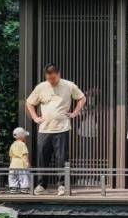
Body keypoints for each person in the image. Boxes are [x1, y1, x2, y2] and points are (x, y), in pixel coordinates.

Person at [26, 64, 86, 196]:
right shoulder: (41, 87)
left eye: (53, 78)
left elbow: (82, 98)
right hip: (44, 129)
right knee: (42, 157)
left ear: (59, 74)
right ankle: (41, 185)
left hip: (62, 128)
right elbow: (29, 102)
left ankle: (62, 185)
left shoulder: (69, 85)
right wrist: (35, 117)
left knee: (62, 158)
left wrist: (75, 113)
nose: (51, 81)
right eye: (49, 78)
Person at [8, 127, 31, 194]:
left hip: (13, 164)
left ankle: (13, 188)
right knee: (23, 176)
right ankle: (24, 188)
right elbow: (24, 155)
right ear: (22, 136)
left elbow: (11, 156)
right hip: (21, 164)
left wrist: (11, 164)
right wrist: (27, 163)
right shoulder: (22, 144)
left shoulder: (13, 145)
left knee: (13, 177)